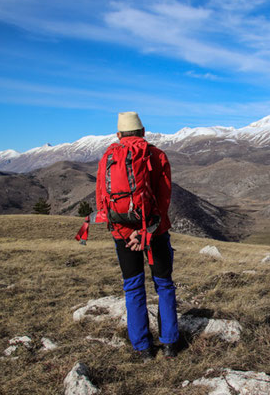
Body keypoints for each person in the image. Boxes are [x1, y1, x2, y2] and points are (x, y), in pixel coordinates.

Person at [95, 111, 179, 361]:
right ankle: (170, 344)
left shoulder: (108, 157)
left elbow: (102, 199)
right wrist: (146, 230)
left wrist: (125, 232)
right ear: (143, 132)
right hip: (154, 232)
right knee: (163, 284)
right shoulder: (156, 154)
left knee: (133, 286)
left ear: (119, 135)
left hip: (122, 234)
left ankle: (142, 348)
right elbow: (163, 199)